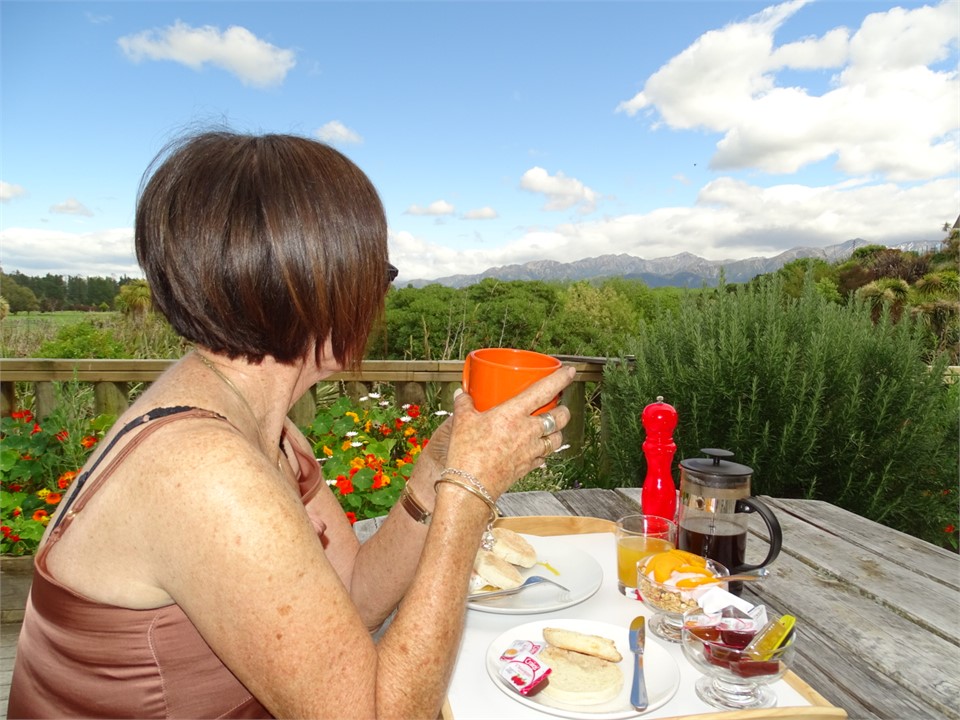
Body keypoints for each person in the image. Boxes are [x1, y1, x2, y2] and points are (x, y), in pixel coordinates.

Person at [7, 131, 575, 719]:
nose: (380, 294)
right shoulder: (205, 471)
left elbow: (351, 599)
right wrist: (469, 494)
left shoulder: (255, 423)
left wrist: (435, 472)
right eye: (377, 272)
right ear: (314, 283)